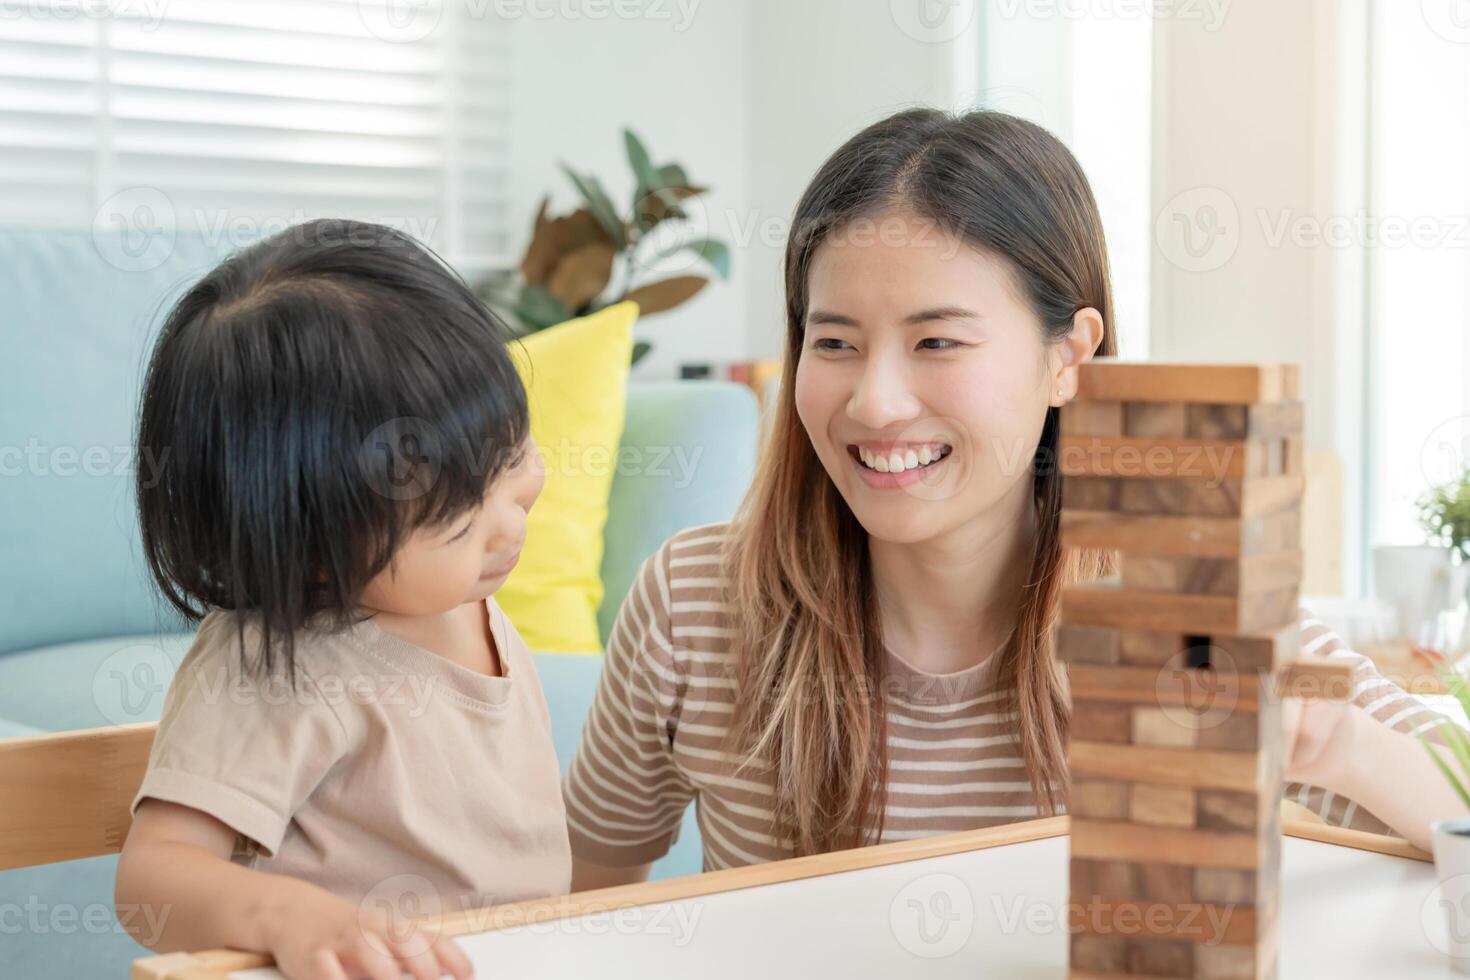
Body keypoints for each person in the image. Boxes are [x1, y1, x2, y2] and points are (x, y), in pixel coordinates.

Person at [562, 108, 1467, 888]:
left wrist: (1340, 746)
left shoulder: (1186, 612)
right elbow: (585, 911)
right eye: (833, 342)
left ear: (1068, 357)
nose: (873, 402)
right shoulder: (691, 605)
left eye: (938, 343)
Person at [115, 219, 566, 980]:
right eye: (457, 518)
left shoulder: (462, 598)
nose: (511, 519)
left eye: (513, 453)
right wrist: (289, 916)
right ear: (315, 550)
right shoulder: (278, 663)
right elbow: (150, 879)